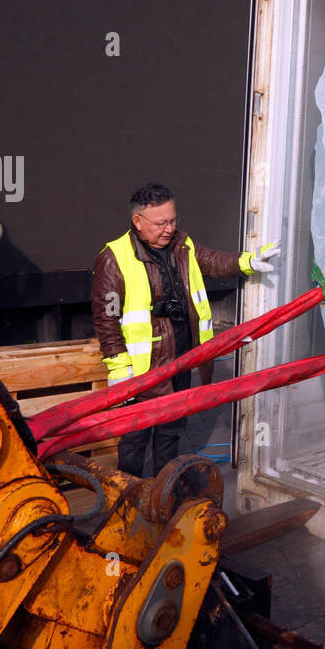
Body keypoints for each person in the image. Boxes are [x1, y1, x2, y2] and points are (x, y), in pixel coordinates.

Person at [91, 182, 278, 478]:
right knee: (135, 440)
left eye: (173, 220)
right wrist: (118, 368)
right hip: (142, 373)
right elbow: (107, 318)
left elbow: (214, 262)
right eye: (161, 223)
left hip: (182, 363)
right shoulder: (115, 257)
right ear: (137, 222)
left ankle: (165, 492)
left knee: (170, 434)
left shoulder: (183, 245)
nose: (169, 228)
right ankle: (128, 498)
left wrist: (248, 261)